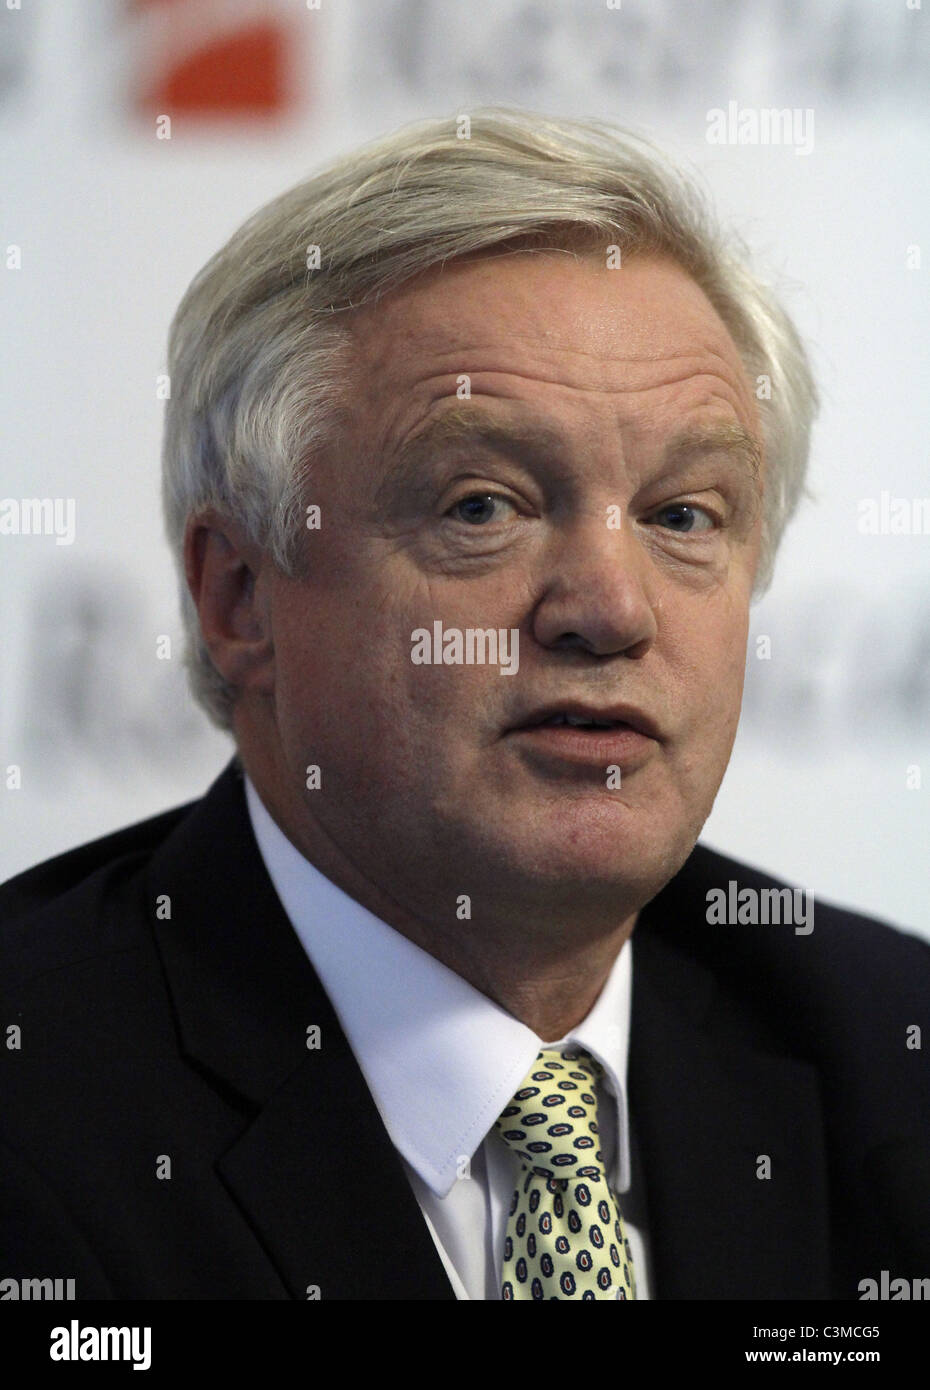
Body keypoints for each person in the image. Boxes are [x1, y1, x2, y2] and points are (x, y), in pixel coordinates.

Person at [2, 108, 927, 1302]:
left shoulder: (892, 1058)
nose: (609, 607)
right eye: (481, 505)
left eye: (684, 515)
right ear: (242, 597)